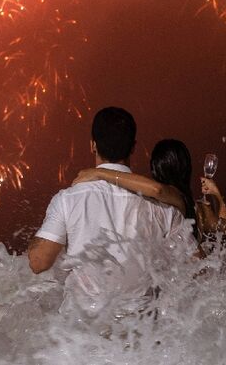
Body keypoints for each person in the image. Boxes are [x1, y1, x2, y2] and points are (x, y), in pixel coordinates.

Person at [27, 107, 191, 317]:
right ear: (133, 148)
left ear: (92, 145)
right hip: (142, 334)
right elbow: (198, 267)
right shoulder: (163, 207)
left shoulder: (68, 199)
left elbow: (39, 262)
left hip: (81, 334)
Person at [72, 139, 226, 241]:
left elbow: (157, 190)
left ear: (155, 168)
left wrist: (100, 172)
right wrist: (217, 194)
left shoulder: (162, 202)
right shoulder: (199, 209)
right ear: (186, 168)